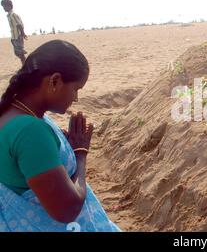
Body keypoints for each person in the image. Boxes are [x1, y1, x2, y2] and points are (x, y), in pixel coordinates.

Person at [0, 40, 120, 232]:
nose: (75, 98)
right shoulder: (30, 130)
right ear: (55, 81)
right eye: (75, 89)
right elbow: (67, 210)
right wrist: (80, 154)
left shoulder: (13, 114)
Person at [1, 0, 27, 65]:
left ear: (9, 6)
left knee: (20, 53)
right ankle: (25, 64)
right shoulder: (9, 15)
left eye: (4, 6)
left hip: (17, 36)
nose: (3, 8)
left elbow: (19, 24)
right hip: (14, 37)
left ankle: (25, 65)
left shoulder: (13, 15)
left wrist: (23, 33)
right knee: (17, 53)